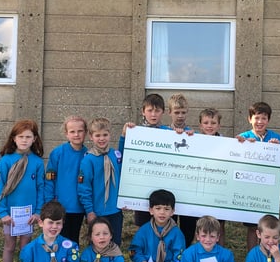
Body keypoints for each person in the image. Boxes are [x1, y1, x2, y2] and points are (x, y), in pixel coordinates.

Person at [0, 119, 45, 262]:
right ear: (14, 139)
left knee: (26, 248)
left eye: (28, 137)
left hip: (29, 214)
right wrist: (2, 212)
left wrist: (39, 212)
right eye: (21, 137)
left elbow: (41, 187)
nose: (24, 140)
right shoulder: (6, 161)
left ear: (34, 139)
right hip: (11, 214)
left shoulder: (37, 162)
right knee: (9, 246)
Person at [236, 101, 280, 251]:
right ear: (249, 119)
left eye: (264, 118)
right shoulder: (243, 137)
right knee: (253, 228)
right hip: (249, 191)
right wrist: (242, 146)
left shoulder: (277, 138)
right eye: (256, 118)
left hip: (268, 191)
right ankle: (252, 259)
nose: (260, 122)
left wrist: (277, 150)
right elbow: (234, 160)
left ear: (268, 120)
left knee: (269, 228)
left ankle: (268, 258)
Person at [128, 189, 186, 262]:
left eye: (166, 209)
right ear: (151, 210)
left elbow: (179, 260)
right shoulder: (144, 230)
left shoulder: (177, 234)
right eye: (158, 208)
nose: (162, 212)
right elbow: (134, 251)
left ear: (172, 212)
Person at [119, 93, 170, 227]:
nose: (153, 114)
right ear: (143, 112)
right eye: (150, 110)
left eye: (157, 110)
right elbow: (124, 155)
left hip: (163, 184)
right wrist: (124, 136)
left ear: (162, 112)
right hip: (142, 187)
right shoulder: (135, 131)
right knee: (143, 226)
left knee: (163, 222)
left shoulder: (170, 133)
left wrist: (184, 134)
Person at [78, 117, 124, 245]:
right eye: (97, 135)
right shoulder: (88, 160)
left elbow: (124, 178)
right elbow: (84, 188)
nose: (102, 138)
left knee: (115, 244)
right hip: (97, 212)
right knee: (97, 245)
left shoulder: (116, 155)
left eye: (105, 134)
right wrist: (89, 211)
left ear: (110, 135)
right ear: (91, 136)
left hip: (115, 210)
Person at [44, 115, 88, 243]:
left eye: (80, 131)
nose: (76, 134)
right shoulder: (57, 153)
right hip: (59, 206)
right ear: (66, 134)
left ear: (85, 132)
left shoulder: (89, 155)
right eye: (72, 131)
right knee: (57, 239)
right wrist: (49, 203)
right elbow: (49, 179)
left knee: (73, 240)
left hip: (78, 207)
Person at [167, 93, 198, 245]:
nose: (180, 116)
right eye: (176, 112)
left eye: (183, 112)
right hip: (168, 187)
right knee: (168, 225)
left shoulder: (194, 135)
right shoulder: (160, 133)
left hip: (188, 190)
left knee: (188, 228)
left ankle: (184, 258)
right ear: (169, 112)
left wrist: (195, 139)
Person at [198, 108, 227, 243]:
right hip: (200, 188)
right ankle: (199, 251)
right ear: (200, 125)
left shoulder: (227, 143)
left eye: (213, 123)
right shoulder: (194, 140)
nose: (209, 126)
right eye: (206, 122)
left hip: (218, 189)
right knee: (201, 223)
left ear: (219, 125)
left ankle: (220, 252)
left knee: (219, 224)